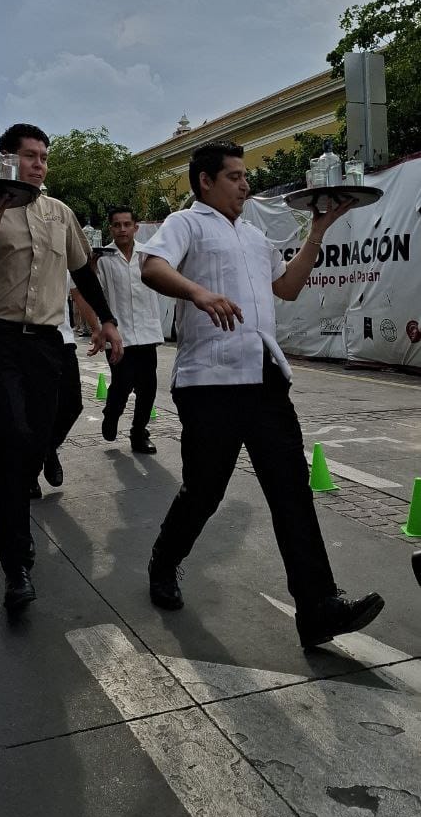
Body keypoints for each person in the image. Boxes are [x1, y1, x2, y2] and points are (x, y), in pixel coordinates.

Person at [141, 142, 385, 649]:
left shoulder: (254, 235)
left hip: (265, 377)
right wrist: (198, 293)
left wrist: (317, 233)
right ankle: (164, 560)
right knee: (205, 490)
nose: (245, 185)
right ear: (205, 181)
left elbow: (288, 287)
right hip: (209, 381)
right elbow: (153, 267)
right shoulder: (187, 223)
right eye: (234, 177)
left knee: (292, 490)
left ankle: (317, 607)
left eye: (245, 176)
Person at [0, 122, 123, 613]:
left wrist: (106, 320)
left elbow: (83, 270)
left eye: (44, 156)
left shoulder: (59, 213)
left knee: (36, 435)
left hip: (45, 343)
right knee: (12, 437)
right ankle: (17, 564)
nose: (39, 164)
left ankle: (31, 469)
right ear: (6, 159)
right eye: (29, 155)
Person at [96, 206, 164, 455]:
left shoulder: (150, 256)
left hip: (146, 332)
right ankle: (112, 413)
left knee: (148, 387)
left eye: (127, 224)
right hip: (118, 334)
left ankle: (139, 433)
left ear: (136, 227)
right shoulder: (103, 259)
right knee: (122, 383)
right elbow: (97, 297)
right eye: (117, 225)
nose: (122, 229)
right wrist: (98, 328)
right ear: (110, 228)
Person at [30, 273, 102, 498]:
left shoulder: (63, 249)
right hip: (27, 342)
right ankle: (30, 473)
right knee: (36, 411)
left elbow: (78, 294)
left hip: (63, 339)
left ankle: (48, 448)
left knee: (73, 403)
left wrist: (97, 327)